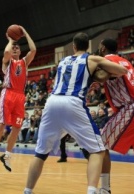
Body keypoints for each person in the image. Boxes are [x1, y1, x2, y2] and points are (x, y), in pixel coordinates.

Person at [23, 32, 128, 194]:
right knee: (97, 151)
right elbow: (121, 70)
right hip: (73, 102)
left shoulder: (62, 61)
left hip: (51, 103)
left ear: (73, 46)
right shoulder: (92, 59)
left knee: (40, 153)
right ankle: (92, 191)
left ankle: (27, 190)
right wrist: (103, 71)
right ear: (88, 46)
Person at [0, 25, 36, 172]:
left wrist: (25, 32)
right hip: (8, 94)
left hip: (20, 96)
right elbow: (7, 51)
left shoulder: (24, 62)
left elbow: (33, 49)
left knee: (17, 127)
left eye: (17, 47)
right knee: (2, 124)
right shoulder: (7, 62)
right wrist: (10, 39)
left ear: (20, 51)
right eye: (13, 47)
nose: (15, 49)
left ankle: (7, 155)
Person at [96, 38, 134, 194]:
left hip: (129, 108)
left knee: (100, 143)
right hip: (126, 107)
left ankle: (105, 189)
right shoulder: (125, 61)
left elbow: (102, 75)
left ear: (103, 48)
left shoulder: (107, 61)